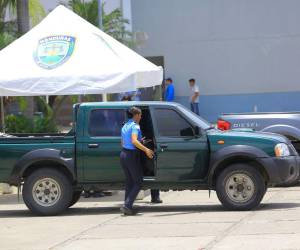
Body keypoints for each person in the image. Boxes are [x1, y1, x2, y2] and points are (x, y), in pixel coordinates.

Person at [120, 107, 154, 215]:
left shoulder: (125, 125)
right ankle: (127, 205)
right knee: (138, 182)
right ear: (135, 115)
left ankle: (127, 206)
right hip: (131, 155)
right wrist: (146, 149)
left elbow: (123, 142)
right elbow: (134, 141)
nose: (141, 117)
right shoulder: (135, 126)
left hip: (123, 154)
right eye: (140, 115)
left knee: (130, 182)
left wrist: (140, 141)